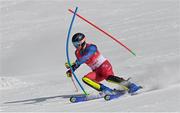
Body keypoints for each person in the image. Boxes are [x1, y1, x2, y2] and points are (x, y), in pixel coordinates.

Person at [65, 33, 141, 94]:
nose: (76, 47)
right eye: (74, 45)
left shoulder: (91, 47)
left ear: (83, 41)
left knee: (109, 78)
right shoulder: (77, 53)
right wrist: (71, 70)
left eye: (77, 44)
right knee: (86, 79)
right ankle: (107, 91)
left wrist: (74, 63)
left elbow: (85, 57)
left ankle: (131, 86)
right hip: (96, 71)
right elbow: (79, 62)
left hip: (104, 66)